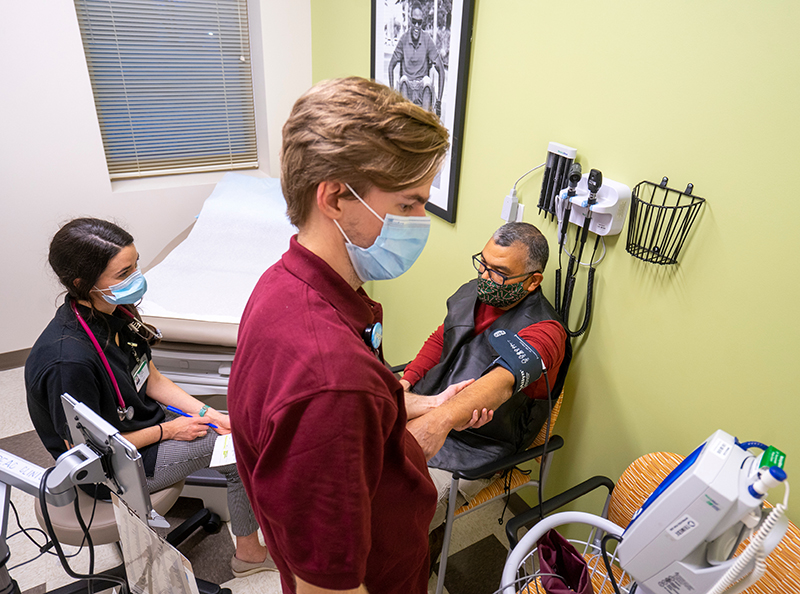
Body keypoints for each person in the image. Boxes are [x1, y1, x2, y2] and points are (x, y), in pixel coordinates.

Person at [226, 77, 491, 594]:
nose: (421, 223)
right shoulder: (333, 383)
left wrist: (425, 404)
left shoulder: (284, 284)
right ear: (334, 198)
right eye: (409, 205)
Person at [25, 217, 274, 579]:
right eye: (123, 273)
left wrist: (209, 413)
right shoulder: (69, 360)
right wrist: (168, 432)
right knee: (240, 448)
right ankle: (249, 556)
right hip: (108, 467)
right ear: (83, 282)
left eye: (136, 264)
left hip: (141, 429)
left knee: (227, 426)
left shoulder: (117, 313)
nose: (137, 277)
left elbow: (150, 378)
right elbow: (86, 453)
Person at [400, 222, 572, 530]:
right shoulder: (474, 292)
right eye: (484, 264)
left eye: (500, 273)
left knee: (400, 511)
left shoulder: (547, 333)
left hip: (478, 441)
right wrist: (404, 383)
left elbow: (503, 381)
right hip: (431, 404)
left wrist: (437, 423)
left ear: (533, 281)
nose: (485, 277)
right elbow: (443, 338)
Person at [388, 3, 445, 116]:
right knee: (403, 81)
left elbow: (441, 69)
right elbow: (391, 66)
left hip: (421, 86)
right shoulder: (404, 40)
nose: (417, 26)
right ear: (410, 20)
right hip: (407, 85)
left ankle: (424, 121)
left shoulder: (427, 39)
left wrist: (439, 101)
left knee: (427, 83)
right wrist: (391, 93)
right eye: (414, 21)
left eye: (420, 22)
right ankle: (405, 121)